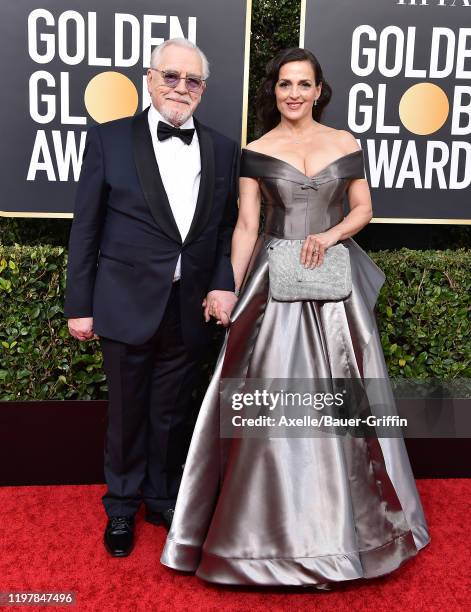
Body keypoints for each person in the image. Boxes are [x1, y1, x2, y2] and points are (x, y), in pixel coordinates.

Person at [160, 47, 430, 587]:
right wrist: (228, 289)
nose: (293, 94)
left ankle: (357, 530)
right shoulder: (256, 150)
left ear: (318, 90)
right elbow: (245, 227)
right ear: (274, 90)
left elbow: (363, 208)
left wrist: (329, 236)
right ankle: (262, 536)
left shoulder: (344, 143)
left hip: (335, 284)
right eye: (285, 84)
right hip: (273, 284)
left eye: (303, 84)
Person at [64, 38, 239, 558]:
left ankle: (161, 496)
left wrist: (222, 281)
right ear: (149, 77)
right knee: (126, 412)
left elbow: (227, 226)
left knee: (170, 411)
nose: (180, 88)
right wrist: (80, 303)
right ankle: (120, 506)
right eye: (171, 76)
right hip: (123, 302)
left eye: (192, 81)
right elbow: (85, 227)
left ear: (203, 90)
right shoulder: (111, 139)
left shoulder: (224, 148)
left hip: (189, 308)